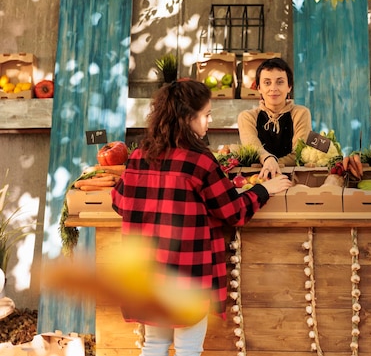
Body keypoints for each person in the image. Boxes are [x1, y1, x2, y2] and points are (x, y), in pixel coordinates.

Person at [111, 80, 292, 356]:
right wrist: (264, 189)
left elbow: (119, 202)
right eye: (205, 114)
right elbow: (234, 212)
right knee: (188, 349)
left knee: (153, 345)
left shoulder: (139, 156)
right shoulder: (202, 162)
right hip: (187, 278)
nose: (209, 120)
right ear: (186, 119)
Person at [238, 57, 312, 179]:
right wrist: (267, 159)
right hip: (257, 180)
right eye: (267, 83)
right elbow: (253, 148)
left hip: (294, 179)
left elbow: (297, 154)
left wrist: (272, 164)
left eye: (280, 82)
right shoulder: (247, 117)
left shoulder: (301, 113)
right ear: (259, 88)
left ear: (289, 86)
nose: (273, 88)